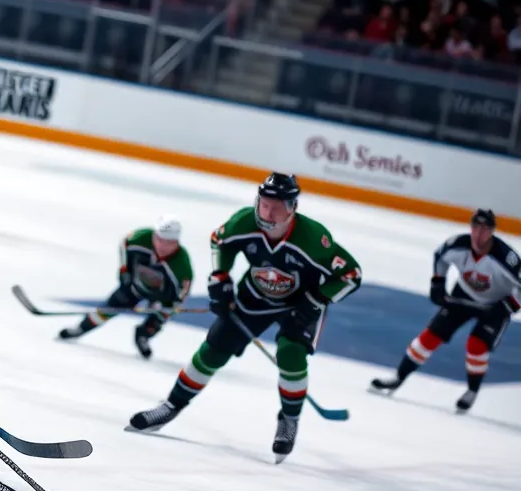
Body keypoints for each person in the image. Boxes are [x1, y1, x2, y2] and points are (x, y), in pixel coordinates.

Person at [126, 174, 362, 462]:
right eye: (264, 204)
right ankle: (171, 406)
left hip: (301, 304)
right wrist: (221, 277)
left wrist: (317, 299)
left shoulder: (313, 239)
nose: (268, 213)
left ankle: (289, 420)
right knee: (213, 349)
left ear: (292, 207)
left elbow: (351, 275)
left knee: (291, 354)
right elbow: (220, 240)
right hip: (255, 295)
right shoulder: (244, 222)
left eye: (276, 207)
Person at [370, 209, 518, 412]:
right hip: (462, 296)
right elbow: (440, 257)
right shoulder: (457, 246)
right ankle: (398, 377)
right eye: (475, 227)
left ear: (492, 231)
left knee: (476, 345)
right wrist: (438, 283)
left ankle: (472, 391)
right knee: (430, 336)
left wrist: (507, 307)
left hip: (494, 305)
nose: (478, 233)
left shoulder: (506, 259)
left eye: (484, 229)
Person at [58, 215, 193, 359]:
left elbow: (183, 291)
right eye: (159, 239)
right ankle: (80, 328)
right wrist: (124, 270)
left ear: (177, 242)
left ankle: (143, 336)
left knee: (159, 317)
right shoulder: (141, 238)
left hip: (161, 294)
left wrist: (169, 306)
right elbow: (124, 244)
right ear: (154, 235)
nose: (162, 246)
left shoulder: (182, 265)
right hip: (135, 284)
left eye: (169, 243)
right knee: (109, 308)